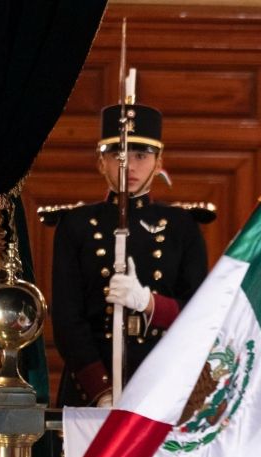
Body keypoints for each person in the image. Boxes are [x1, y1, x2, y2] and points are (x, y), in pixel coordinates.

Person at [51, 103, 208, 407]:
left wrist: (150, 304)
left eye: (141, 156)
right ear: (101, 162)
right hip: (91, 386)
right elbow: (67, 320)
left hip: (161, 383)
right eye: (118, 156)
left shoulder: (182, 225)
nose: (129, 167)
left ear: (158, 160)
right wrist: (101, 391)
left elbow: (199, 313)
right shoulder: (76, 224)